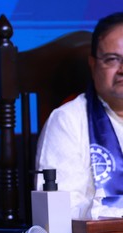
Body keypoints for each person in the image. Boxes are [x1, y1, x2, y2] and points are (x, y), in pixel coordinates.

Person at [35, 12, 123, 220]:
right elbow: (59, 214)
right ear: (93, 64)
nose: (122, 69)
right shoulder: (67, 121)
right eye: (112, 59)